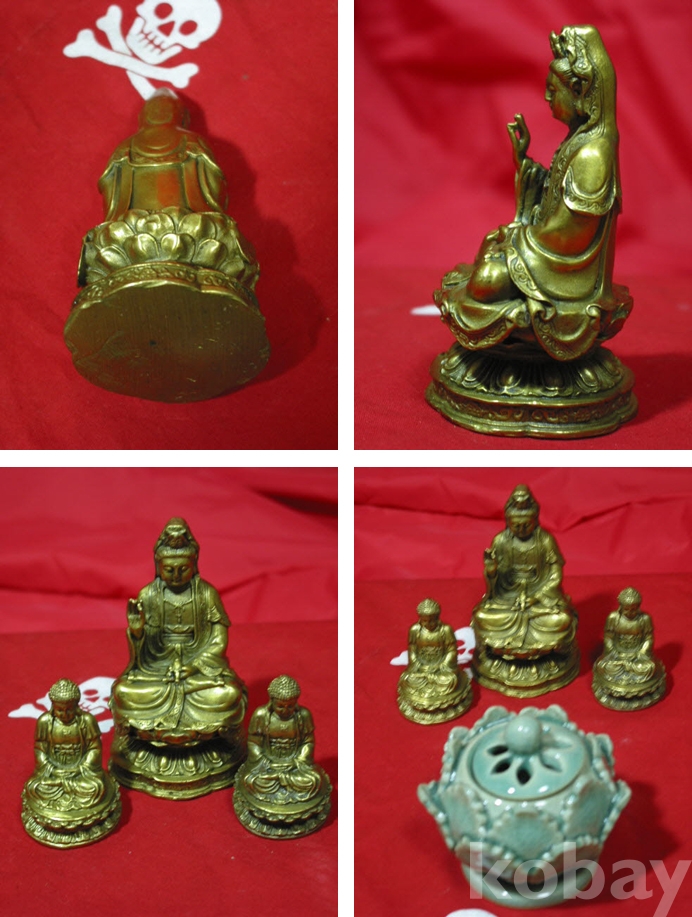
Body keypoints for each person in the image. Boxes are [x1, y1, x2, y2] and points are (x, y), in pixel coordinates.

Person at [437, 25, 631, 361]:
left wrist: (517, 239)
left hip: (565, 272)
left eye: (553, 90)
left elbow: (570, 235)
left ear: (578, 91)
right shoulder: (578, 141)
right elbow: (552, 196)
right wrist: (524, 162)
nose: (546, 98)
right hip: (543, 255)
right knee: (487, 252)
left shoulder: (592, 153)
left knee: (485, 280)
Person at [111, 518, 247, 745]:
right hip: (158, 669)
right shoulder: (148, 595)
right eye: (169, 569)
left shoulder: (206, 594)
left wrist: (193, 667)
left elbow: (218, 640)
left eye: (183, 569)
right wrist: (137, 632)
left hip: (198, 672)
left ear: (193, 565)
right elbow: (143, 655)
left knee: (228, 693)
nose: (176, 575)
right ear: (158, 567)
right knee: (124, 692)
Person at [472, 486, 578, 694]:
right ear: (508, 522)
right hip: (508, 598)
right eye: (516, 525)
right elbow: (496, 583)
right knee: (482, 616)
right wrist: (491, 571)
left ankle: (557, 653)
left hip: (540, 600)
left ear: (535, 520)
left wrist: (535, 598)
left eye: (526, 524)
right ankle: (493, 653)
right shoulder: (501, 541)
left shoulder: (545, 540)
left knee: (562, 620)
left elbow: (555, 575)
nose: (521, 529)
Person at [22, 679, 120, 847]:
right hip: (54, 773)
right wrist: (51, 768)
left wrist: (82, 768)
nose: (65, 714)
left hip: (81, 773)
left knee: (95, 787)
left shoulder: (86, 721)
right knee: (36, 787)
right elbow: (40, 749)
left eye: (69, 709)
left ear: (76, 706)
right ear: (53, 706)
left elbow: (94, 748)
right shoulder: (45, 722)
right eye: (60, 710)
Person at [233, 675, 331, 838]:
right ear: (271, 701)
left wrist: (298, 761)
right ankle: (274, 779)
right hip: (268, 765)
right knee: (252, 780)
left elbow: (308, 742)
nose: (285, 710)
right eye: (280, 706)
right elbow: (253, 742)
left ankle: (284, 781)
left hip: (294, 765)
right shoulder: (261, 715)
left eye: (290, 706)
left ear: (296, 702)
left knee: (313, 781)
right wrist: (265, 761)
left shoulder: (303, 716)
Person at [397, 598, 472, 723]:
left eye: (432, 620)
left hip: (441, 668)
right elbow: (412, 649)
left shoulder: (445, 630)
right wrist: (417, 664)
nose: (429, 624)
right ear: (420, 618)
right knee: (408, 679)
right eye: (425, 620)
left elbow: (452, 650)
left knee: (450, 680)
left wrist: (443, 665)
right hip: (422, 668)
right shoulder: (415, 630)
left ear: (437, 617)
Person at [593, 588, 666, 710]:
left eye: (634, 609)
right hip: (617, 654)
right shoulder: (614, 618)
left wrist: (641, 653)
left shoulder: (644, 619)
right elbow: (608, 637)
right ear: (620, 607)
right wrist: (615, 652)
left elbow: (648, 639)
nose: (630, 612)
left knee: (649, 668)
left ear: (638, 607)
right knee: (604, 666)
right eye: (626, 609)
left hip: (637, 656)